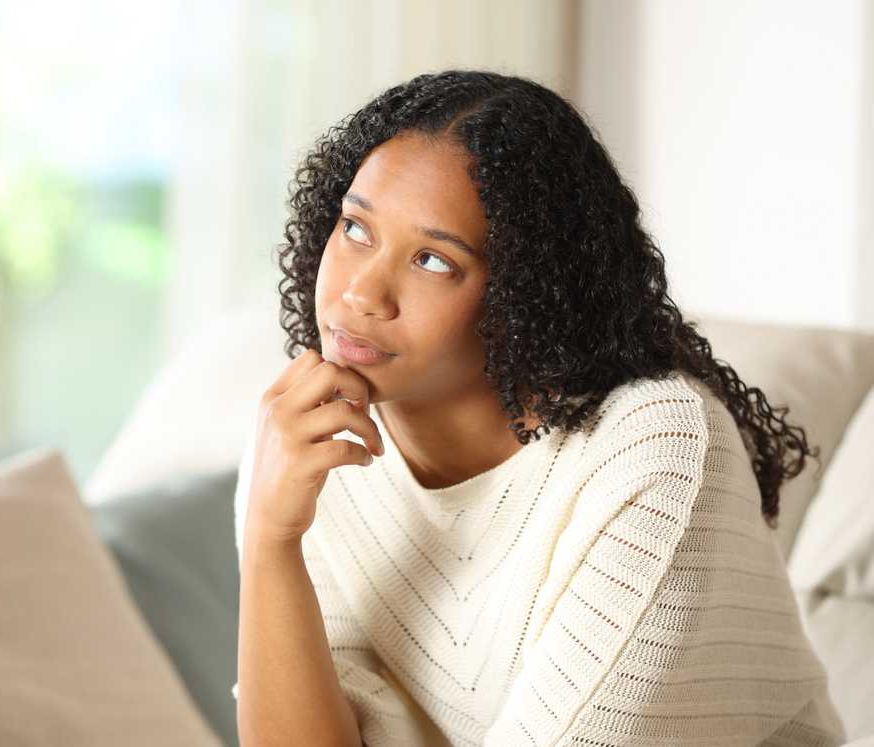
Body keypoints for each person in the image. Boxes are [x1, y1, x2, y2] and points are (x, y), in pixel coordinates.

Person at [232, 69, 845, 747]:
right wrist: (269, 541)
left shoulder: (656, 453)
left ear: (523, 292)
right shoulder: (306, 445)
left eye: (433, 260)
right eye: (355, 227)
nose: (362, 293)